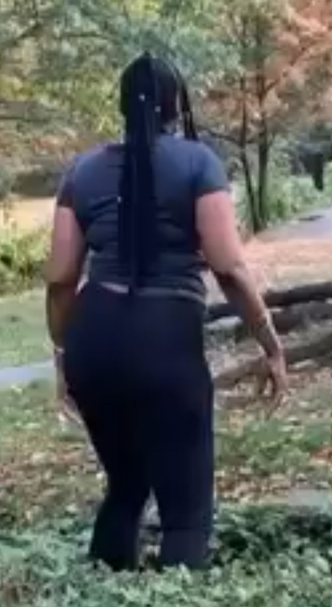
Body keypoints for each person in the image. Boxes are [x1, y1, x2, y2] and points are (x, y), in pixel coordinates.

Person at [42, 52, 288, 571]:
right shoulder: (198, 163)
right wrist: (269, 341)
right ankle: (178, 588)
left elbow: (61, 279)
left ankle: (102, 588)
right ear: (176, 106)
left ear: (120, 105)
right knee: (186, 508)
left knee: (126, 485)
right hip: (165, 341)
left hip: (94, 339)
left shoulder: (81, 170)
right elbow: (229, 267)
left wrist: (62, 357)